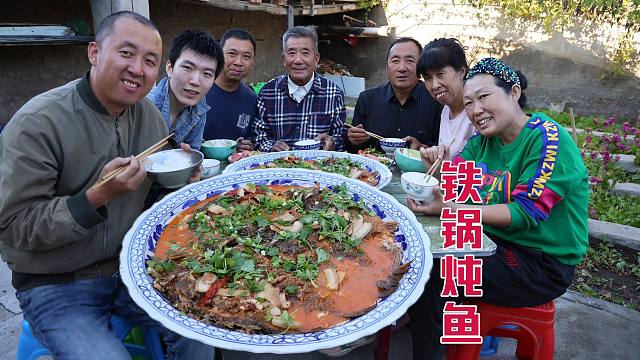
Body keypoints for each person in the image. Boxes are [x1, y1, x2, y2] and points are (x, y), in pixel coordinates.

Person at [0, 12, 213, 359]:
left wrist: (176, 183)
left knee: (202, 330)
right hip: (58, 283)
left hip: (129, 268)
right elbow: (13, 227)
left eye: (149, 61)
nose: (137, 69)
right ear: (95, 53)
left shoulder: (147, 117)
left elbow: (149, 200)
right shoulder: (38, 123)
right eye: (126, 53)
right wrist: (95, 198)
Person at [407, 58, 588, 360]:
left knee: (435, 271)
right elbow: (457, 190)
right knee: (418, 246)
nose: (475, 110)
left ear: (514, 92)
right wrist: (436, 173)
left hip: (539, 263)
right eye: (468, 103)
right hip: (493, 245)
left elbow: (525, 213)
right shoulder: (481, 143)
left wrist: (449, 207)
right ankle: (451, 345)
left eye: (484, 97)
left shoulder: (547, 138)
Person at [253, 26, 346, 152]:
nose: (298, 60)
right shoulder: (268, 92)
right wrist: (271, 146)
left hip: (319, 167)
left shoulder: (334, 94)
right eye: (291, 53)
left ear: (316, 58)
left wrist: (332, 142)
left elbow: (341, 136)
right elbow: (258, 137)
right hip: (279, 167)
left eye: (305, 53)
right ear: (284, 59)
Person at [345, 37, 443, 153]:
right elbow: (353, 149)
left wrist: (422, 147)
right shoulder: (367, 99)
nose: (402, 68)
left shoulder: (436, 100)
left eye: (410, 60)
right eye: (395, 61)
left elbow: (442, 147)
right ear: (387, 67)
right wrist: (352, 140)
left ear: (421, 67)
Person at [147, 29, 223, 150]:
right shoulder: (146, 107)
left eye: (207, 74)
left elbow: (193, 151)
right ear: (170, 68)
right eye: (188, 67)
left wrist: (192, 164)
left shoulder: (199, 107)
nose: (195, 81)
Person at [418, 38, 476, 157]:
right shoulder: (445, 111)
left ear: (461, 71)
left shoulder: (477, 113)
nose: (434, 85)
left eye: (440, 74)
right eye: (428, 78)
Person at [204, 28, 258, 152]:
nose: (238, 62)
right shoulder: (199, 90)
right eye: (232, 54)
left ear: (253, 62)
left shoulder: (252, 99)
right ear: (219, 55)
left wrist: (247, 145)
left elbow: (252, 139)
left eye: (246, 56)